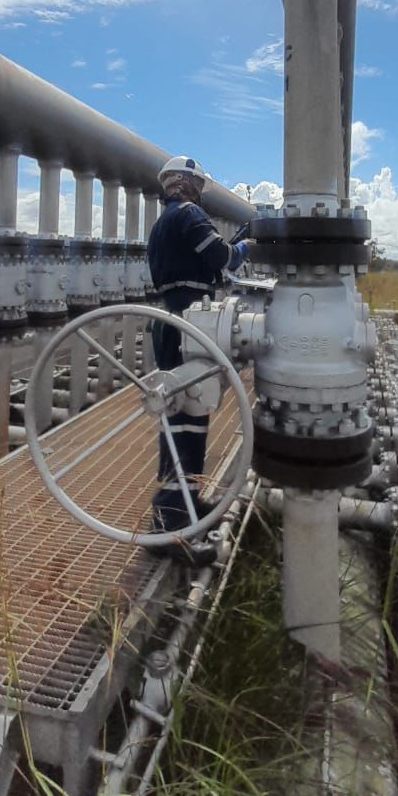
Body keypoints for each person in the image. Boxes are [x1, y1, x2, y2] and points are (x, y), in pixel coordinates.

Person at [147, 156, 250, 566]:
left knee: (185, 411)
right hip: (188, 322)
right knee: (187, 414)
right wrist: (246, 243)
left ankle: (185, 502)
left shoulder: (164, 222)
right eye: (193, 184)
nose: (194, 192)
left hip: (174, 319)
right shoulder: (189, 215)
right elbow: (223, 259)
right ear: (186, 185)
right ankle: (171, 522)